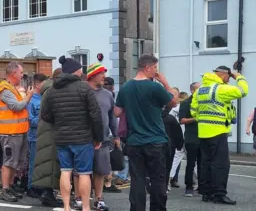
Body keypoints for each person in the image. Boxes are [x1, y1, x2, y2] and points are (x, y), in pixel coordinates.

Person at [114, 54, 177, 211]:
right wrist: (165, 82)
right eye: (155, 67)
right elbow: (173, 101)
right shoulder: (154, 87)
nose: (156, 71)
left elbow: (116, 112)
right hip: (155, 140)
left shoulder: (126, 87)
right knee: (157, 180)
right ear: (148, 68)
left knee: (137, 180)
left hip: (134, 141)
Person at [41, 56, 104, 211]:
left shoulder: (51, 91)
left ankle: (67, 206)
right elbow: (95, 115)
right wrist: (98, 137)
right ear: (76, 71)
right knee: (84, 173)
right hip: (82, 137)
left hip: (61, 137)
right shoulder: (84, 88)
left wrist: (59, 121)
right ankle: (86, 207)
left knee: (65, 171)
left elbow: (45, 115)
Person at [191, 66, 248, 205]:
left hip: (203, 132)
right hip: (218, 131)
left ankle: (206, 193)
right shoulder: (220, 89)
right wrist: (238, 77)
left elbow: (193, 112)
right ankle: (219, 194)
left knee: (205, 163)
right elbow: (243, 91)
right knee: (221, 164)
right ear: (222, 75)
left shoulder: (200, 91)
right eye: (228, 78)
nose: (229, 81)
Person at [0, 61, 33, 202]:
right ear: (13, 73)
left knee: (16, 162)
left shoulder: (12, 88)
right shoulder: (4, 89)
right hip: (8, 132)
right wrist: (28, 96)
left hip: (18, 130)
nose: (22, 75)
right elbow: (17, 106)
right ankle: (4, 189)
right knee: (9, 161)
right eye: (21, 72)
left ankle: (9, 187)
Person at [85, 63, 118, 211]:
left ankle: (99, 199)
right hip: (84, 138)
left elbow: (112, 117)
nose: (104, 76)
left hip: (103, 138)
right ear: (92, 76)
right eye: (101, 73)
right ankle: (81, 198)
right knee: (81, 171)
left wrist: (116, 135)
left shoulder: (108, 94)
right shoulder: (83, 92)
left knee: (100, 170)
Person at [32, 68, 64, 208]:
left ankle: (48, 192)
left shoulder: (47, 90)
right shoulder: (52, 91)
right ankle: (48, 193)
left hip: (46, 130)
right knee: (50, 162)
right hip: (51, 130)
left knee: (48, 161)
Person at [26, 73, 48, 198]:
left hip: (44, 136)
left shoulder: (44, 97)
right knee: (34, 163)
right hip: (34, 136)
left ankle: (39, 186)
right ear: (38, 84)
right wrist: (44, 118)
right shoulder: (31, 99)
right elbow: (31, 120)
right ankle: (31, 187)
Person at [179, 82, 201, 197]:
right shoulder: (186, 103)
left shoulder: (204, 103)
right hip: (191, 138)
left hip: (204, 137)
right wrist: (195, 118)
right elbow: (182, 120)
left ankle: (202, 187)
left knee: (203, 164)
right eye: (199, 88)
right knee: (191, 163)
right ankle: (189, 187)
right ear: (193, 91)